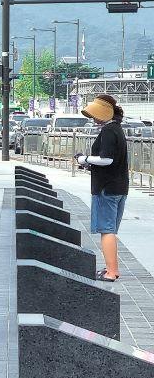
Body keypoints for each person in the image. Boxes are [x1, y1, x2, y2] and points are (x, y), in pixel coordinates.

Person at [76, 94, 129, 282]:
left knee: (107, 230)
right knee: (111, 229)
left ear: (105, 115)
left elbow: (107, 159)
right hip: (120, 187)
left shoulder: (108, 131)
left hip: (106, 188)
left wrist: (85, 159)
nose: (94, 119)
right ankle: (110, 268)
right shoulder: (118, 130)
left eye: (96, 115)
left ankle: (111, 271)